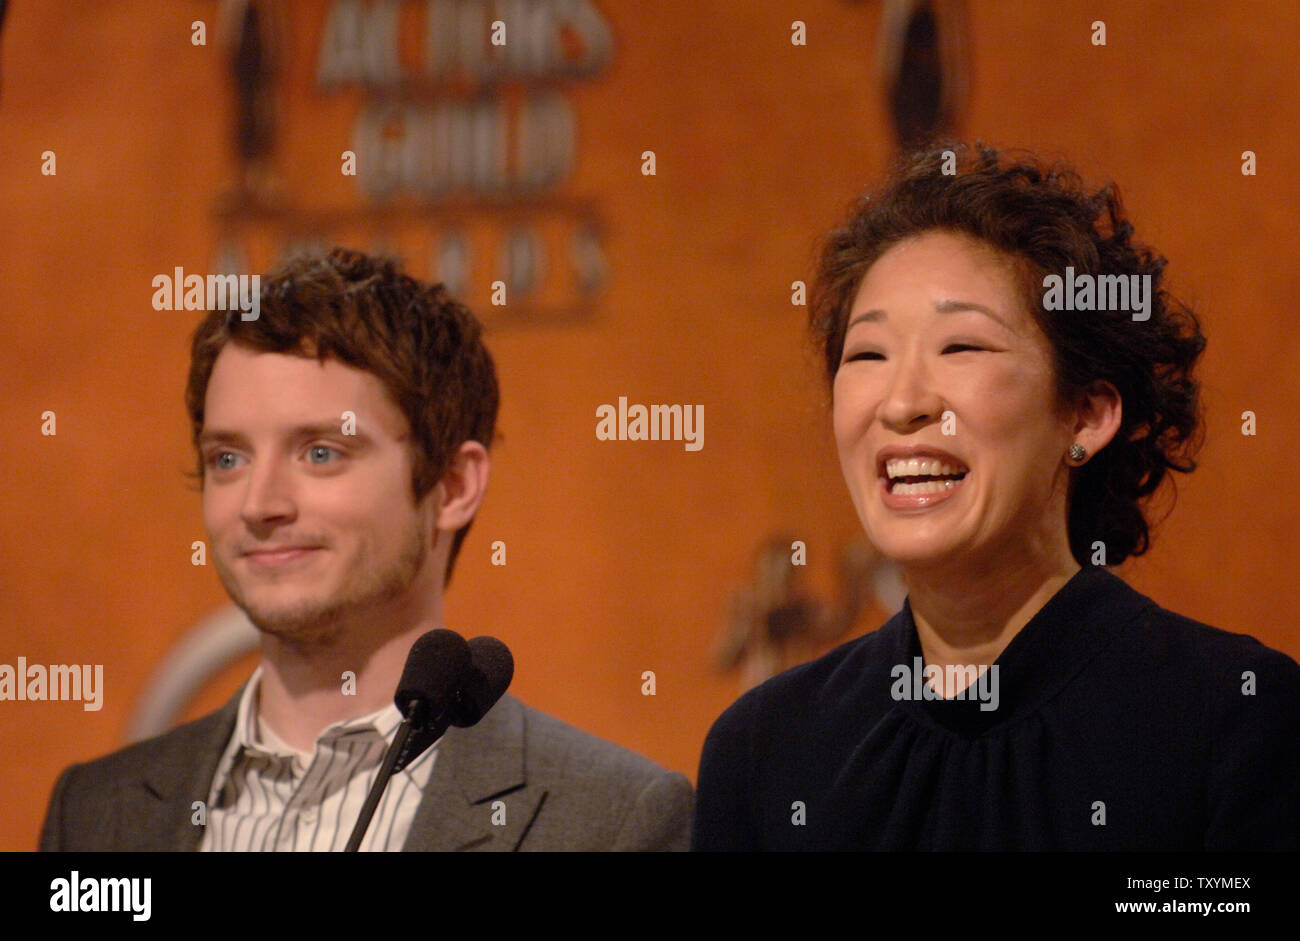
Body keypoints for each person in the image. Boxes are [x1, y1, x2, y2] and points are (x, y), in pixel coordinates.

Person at [692, 142, 1300, 851]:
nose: (903, 402)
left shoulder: (1232, 720)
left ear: (1086, 414)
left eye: (962, 348)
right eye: (868, 356)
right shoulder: (766, 749)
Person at [40, 248, 692, 852]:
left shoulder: (609, 819)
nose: (259, 502)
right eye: (228, 457)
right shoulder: (96, 812)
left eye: (321, 452)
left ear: (453, 484)